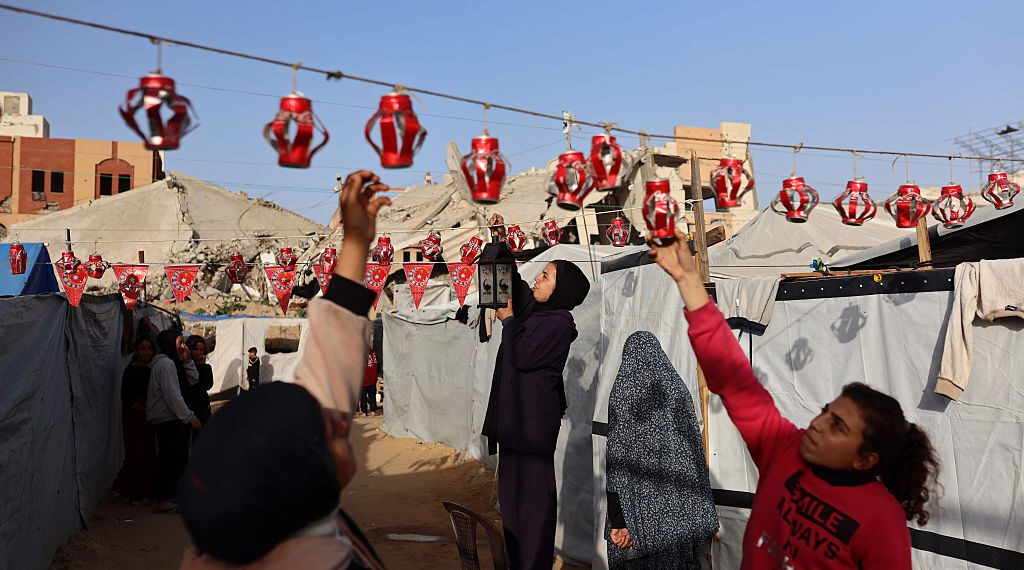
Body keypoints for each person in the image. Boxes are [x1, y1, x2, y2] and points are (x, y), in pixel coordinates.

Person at [647, 227, 941, 569]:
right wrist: (687, 280)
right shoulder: (785, 449)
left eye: (838, 426)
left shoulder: (881, 521)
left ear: (865, 460)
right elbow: (733, 379)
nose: (816, 424)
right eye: (825, 412)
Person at [177, 170, 391, 569]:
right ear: (304, 482)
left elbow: (330, 365)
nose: (342, 421)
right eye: (335, 432)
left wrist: (356, 243)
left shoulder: (255, 526)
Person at [481, 213, 591, 570]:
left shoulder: (559, 323)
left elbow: (523, 355)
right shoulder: (537, 313)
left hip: (531, 433)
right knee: (512, 511)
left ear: (561, 290)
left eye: (546, 276)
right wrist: (501, 249)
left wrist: (509, 321)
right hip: (514, 430)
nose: (537, 279)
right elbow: (515, 288)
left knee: (533, 512)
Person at [605, 331, 718, 569]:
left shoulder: (624, 391)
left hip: (639, 519)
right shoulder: (678, 391)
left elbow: (616, 462)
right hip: (680, 515)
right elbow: (695, 455)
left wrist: (618, 520)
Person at [148, 329, 202, 513]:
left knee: (177, 460)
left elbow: (193, 380)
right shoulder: (165, 365)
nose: (183, 346)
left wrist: (187, 360)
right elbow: (172, 396)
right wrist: (189, 417)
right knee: (169, 461)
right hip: (168, 420)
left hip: (173, 419)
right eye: (180, 342)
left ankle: (172, 498)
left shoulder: (174, 363)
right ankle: (164, 502)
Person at [112, 337, 158, 505]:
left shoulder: (153, 369)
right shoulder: (131, 371)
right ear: (137, 351)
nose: (146, 352)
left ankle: (142, 493)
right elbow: (127, 399)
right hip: (134, 416)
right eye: (143, 348)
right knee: (135, 455)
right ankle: (127, 491)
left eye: (149, 348)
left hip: (150, 416)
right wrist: (146, 410)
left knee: (148, 454)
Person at [184, 335, 215, 438]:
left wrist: (201, 367)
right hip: (188, 407)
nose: (199, 352)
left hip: (202, 407)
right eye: (195, 349)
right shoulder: (185, 366)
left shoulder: (206, 367)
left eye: (201, 349)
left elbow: (207, 385)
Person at [359, 347, 379, 416]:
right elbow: (376, 363)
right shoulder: (372, 352)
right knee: (372, 395)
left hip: (363, 379)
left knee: (363, 396)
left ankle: (364, 412)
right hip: (372, 378)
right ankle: (373, 411)